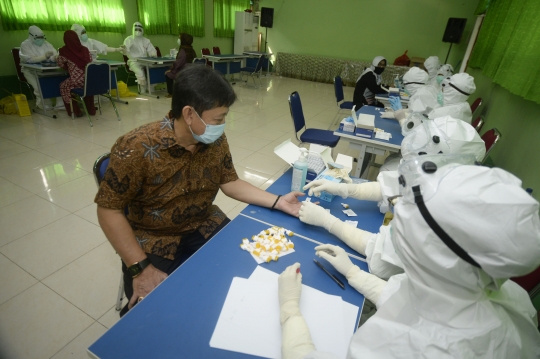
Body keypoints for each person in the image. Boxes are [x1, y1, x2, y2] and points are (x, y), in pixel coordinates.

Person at [280, 154, 540, 358]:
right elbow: (422, 305)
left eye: (402, 218)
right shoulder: (510, 297)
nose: (393, 215)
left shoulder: (409, 348)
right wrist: (354, 274)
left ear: (433, 252)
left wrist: (289, 310)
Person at [95, 65, 304, 317]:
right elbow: (109, 210)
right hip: (154, 238)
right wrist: (140, 268)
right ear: (189, 113)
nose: (223, 125)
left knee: (247, 272)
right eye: (218, 118)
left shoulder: (213, 140)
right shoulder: (136, 147)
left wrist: (279, 201)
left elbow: (229, 182)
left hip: (204, 223)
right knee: (153, 315)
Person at [300, 117, 486, 279]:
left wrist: (327, 221)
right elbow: (390, 187)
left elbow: (380, 254)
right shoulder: (440, 177)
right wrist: (342, 188)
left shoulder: (442, 214)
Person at [19, 25, 63, 110]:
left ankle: (60, 105)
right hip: (30, 71)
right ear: (31, 36)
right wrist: (44, 57)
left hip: (46, 70)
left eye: (42, 37)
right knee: (38, 87)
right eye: (38, 37)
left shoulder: (47, 44)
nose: (40, 39)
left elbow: (53, 55)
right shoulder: (25, 45)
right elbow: (30, 59)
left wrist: (55, 57)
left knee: (58, 83)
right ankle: (42, 105)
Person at [56, 30, 95, 118]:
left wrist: (69, 67)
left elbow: (61, 64)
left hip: (76, 81)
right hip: (89, 80)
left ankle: (75, 111)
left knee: (64, 86)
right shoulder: (85, 49)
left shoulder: (64, 51)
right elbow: (90, 61)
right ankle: (91, 109)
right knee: (87, 87)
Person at [123, 22, 157, 93]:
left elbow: (152, 50)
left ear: (142, 30)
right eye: (136, 29)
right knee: (140, 73)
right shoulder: (129, 39)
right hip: (134, 61)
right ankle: (143, 89)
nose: (138, 31)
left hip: (145, 61)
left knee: (155, 69)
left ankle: (151, 86)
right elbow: (125, 51)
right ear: (133, 29)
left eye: (139, 29)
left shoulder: (146, 40)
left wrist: (153, 54)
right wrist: (125, 49)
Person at [165, 33, 197, 98]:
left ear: (183, 40)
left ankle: (171, 93)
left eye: (179, 38)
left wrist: (171, 70)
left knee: (168, 74)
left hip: (183, 72)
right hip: (191, 71)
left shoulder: (183, 50)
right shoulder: (192, 50)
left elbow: (178, 64)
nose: (178, 40)